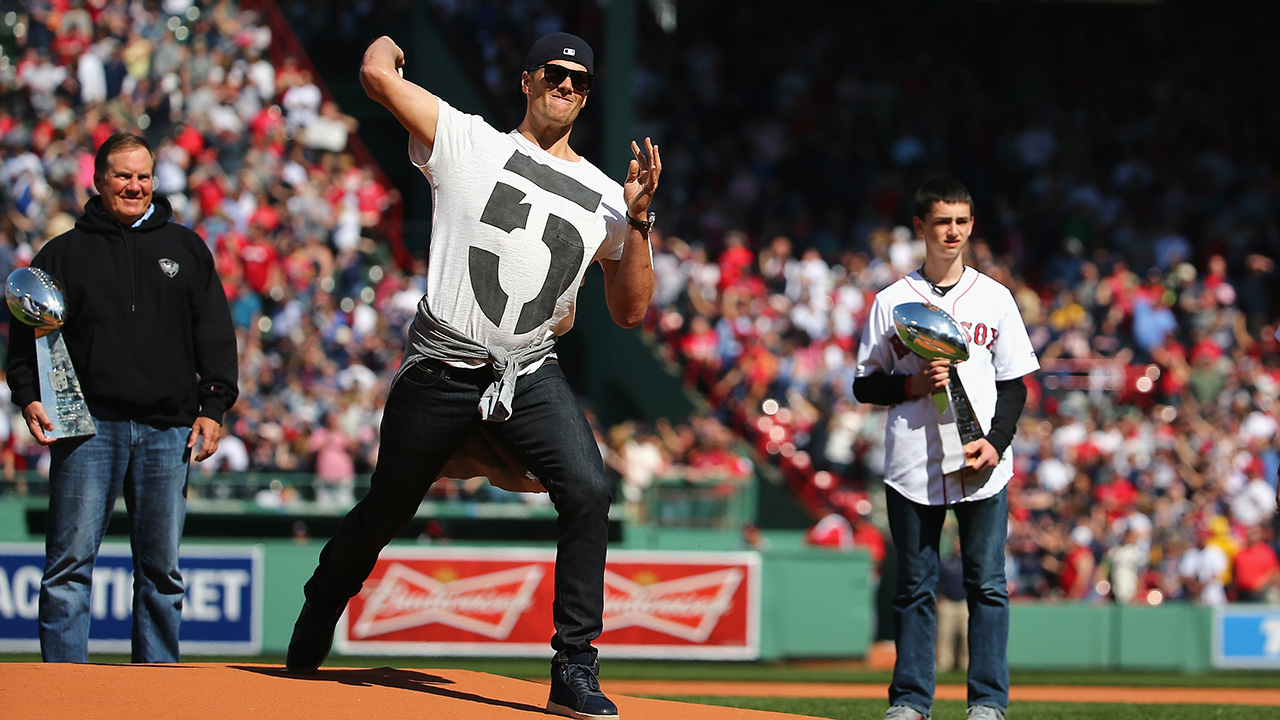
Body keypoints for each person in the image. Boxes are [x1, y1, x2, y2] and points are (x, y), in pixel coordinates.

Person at [284, 32, 660, 720]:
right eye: (555, 73)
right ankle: (323, 600)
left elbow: (630, 311)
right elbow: (373, 75)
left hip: (527, 370)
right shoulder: (466, 139)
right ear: (525, 80)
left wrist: (637, 221)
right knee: (387, 509)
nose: (567, 87)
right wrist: (387, 44)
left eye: (579, 80)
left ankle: (575, 664)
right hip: (441, 365)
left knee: (588, 489)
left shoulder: (610, 194)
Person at [5, 132, 239, 663]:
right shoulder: (63, 252)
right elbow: (24, 330)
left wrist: (214, 407)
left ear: (154, 181)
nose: (134, 186)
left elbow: (216, 336)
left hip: (168, 430)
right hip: (87, 427)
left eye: (143, 176)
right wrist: (28, 395)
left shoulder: (187, 248)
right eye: (123, 175)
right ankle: (63, 694)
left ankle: (153, 695)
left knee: (162, 574)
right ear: (98, 180)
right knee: (68, 568)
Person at [852, 177, 1039, 720]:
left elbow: (1016, 383)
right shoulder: (892, 300)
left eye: (961, 221)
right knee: (914, 587)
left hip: (981, 462)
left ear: (971, 225)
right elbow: (865, 383)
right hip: (912, 459)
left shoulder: (995, 296)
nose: (952, 231)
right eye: (941, 222)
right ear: (920, 227)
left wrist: (996, 444)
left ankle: (987, 702)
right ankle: (910, 700)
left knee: (988, 587)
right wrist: (910, 385)